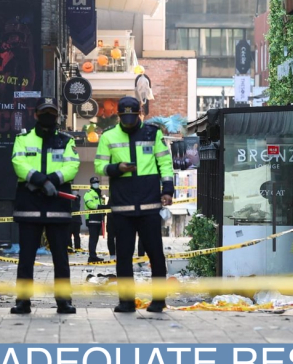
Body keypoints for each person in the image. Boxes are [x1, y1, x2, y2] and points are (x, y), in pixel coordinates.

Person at [94, 97, 174, 313]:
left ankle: (159, 300)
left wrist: (167, 190)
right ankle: (126, 301)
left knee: (156, 254)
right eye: (124, 117)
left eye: (132, 116)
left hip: (148, 205)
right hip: (122, 206)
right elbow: (99, 166)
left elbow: (165, 163)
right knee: (123, 256)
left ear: (140, 114)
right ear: (118, 116)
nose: (128, 121)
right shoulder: (109, 136)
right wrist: (117, 168)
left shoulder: (152, 133)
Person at [11, 97, 80, 314]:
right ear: (35, 114)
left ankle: (63, 301)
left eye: (52, 112)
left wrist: (52, 180)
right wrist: (40, 180)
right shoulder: (23, 139)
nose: (48, 116)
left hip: (57, 206)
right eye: (44, 112)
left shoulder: (66, 141)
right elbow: (17, 163)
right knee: (26, 257)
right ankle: (23, 301)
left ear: (57, 116)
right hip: (29, 205)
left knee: (61, 256)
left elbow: (73, 165)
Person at [83, 177, 105, 263]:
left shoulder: (98, 193)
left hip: (98, 218)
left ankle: (93, 255)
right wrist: (100, 207)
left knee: (95, 238)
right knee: (93, 238)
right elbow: (90, 204)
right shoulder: (89, 193)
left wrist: (103, 208)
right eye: (94, 182)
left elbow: (101, 203)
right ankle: (92, 256)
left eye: (97, 182)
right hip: (92, 218)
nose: (96, 184)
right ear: (91, 184)